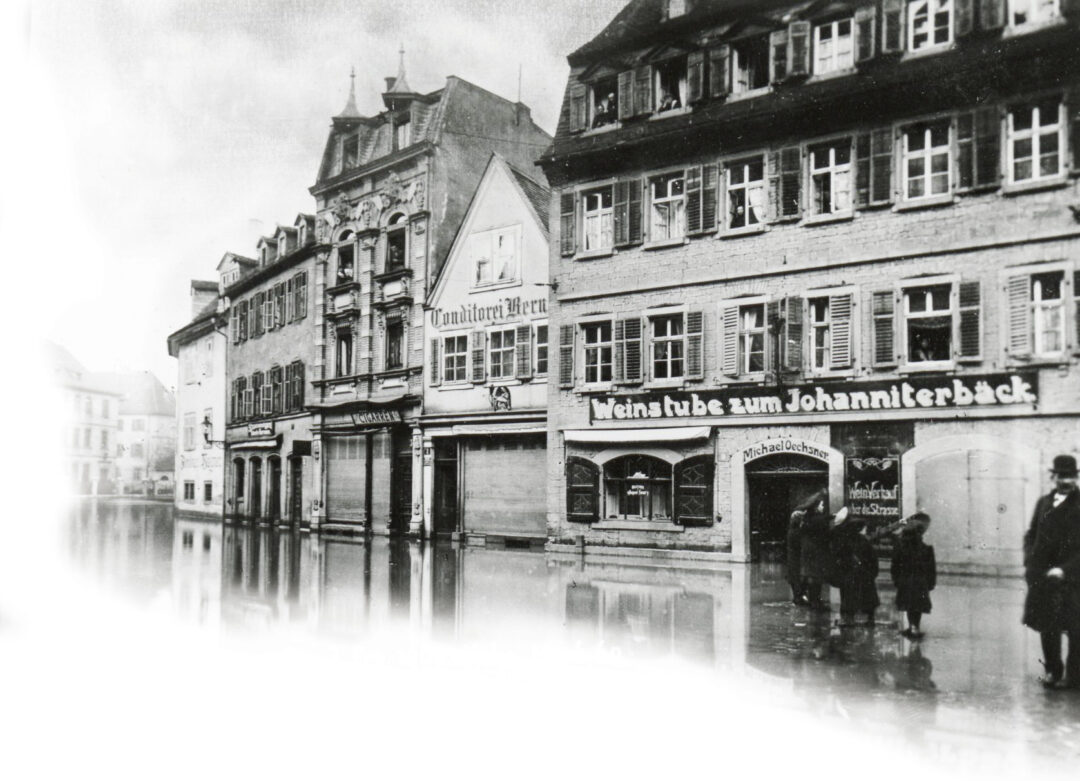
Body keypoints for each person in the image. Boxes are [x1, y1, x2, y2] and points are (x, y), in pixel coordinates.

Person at [1023, 454, 1080, 689]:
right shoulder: (1044, 502)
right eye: (1061, 476)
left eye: (1070, 476)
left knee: (1076, 629)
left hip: (1072, 577)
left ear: (1076, 478)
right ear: (1053, 477)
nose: (1065, 481)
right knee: (1048, 626)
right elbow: (1031, 533)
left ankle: (1076, 676)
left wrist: (1064, 570)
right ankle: (1052, 671)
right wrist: (1030, 560)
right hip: (1043, 577)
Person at [829, 507, 880, 627]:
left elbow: (839, 556)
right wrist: (872, 572)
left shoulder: (845, 541)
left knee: (848, 597)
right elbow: (873, 559)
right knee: (867, 597)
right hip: (865, 574)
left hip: (849, 574)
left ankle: (848, 619)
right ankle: (870, 619)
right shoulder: (864, 541)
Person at [891, 511, 937, 638]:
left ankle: (912, 626)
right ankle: (915, 627)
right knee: (917, 606)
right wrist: (931, 583)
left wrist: (896, 580)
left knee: (909, 605)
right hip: (920, 582)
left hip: (905, 581)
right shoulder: (927, 549)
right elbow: (931, 569)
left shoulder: (900, 548)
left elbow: (895, 566)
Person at [797, 490, 831, 610]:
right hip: (816, 551)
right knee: (816, 576)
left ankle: (808, 598)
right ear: (816, 507)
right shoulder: (818, 519)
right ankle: (815, 601)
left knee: (810, 575)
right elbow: (826, 533)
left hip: (807, 550)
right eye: (821, 505)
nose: (823, 506)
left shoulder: (807, 518)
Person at [786, 508, 806, 606]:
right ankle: (798, 598)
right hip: (796, 559)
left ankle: (797, 597)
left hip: (792, 558)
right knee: (797, 577)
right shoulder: (796, 532)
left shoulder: (792, 531)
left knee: (794, 577)